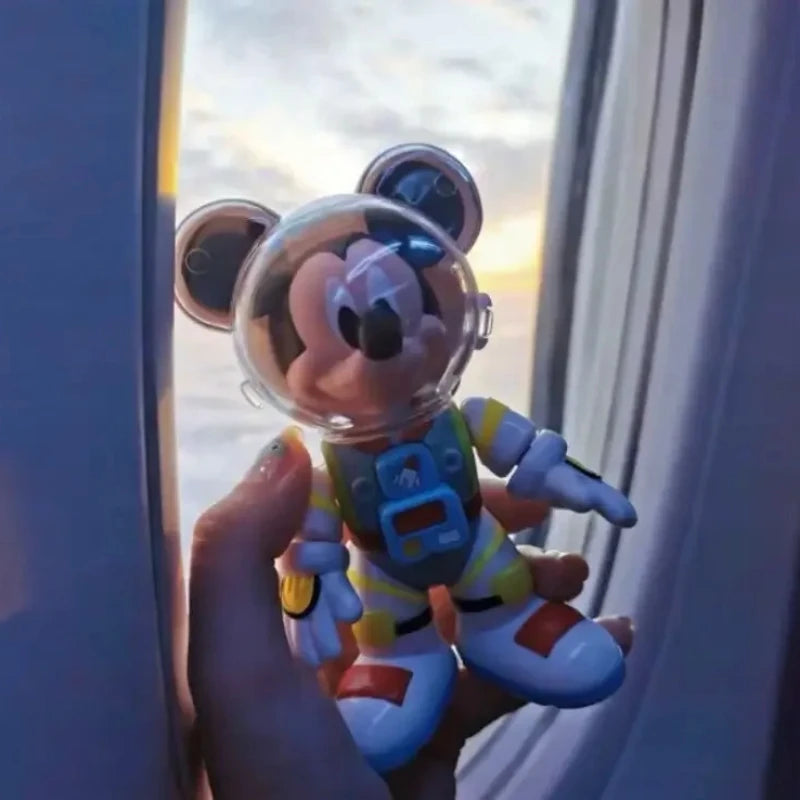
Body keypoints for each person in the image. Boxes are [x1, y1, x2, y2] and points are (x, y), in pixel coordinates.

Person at [188, 428, 634, 799]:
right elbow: (316, 542)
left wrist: (552, 469)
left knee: (503, 586)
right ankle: (396, 666)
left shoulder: (466, 418)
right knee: (385, 631)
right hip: (381, 571)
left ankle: (511, 622)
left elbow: (525, 447)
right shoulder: (328, 474)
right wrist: (311, 582)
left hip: (476, 544)